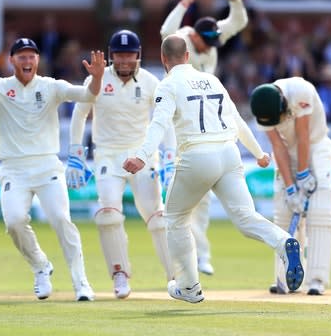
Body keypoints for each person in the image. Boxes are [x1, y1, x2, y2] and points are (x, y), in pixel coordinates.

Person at [122, 35, 304, 303]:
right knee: (245, 217)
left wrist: (140, 156)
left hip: (197, 156)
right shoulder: (212, 79)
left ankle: (189, 286)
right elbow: (238, 120)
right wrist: (259, 153)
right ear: (187, 56)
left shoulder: (167, 84)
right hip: (230, 154)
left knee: (174, 219)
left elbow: (158, 125)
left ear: (164, 59)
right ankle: (283, 241)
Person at [0, 29, 104, 301]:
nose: (27, 61)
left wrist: (97, 78)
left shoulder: (51, 86)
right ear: (12, 60)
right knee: (15, 222)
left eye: (31, 56)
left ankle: (81, 284)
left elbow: (87, 95)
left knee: (61, 220)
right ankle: (40, 266)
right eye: (21, 57)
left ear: (38, 60)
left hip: (47, 166)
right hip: (14, 169)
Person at [66, 29, 174, 299]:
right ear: (112, 57)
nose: (125, 61)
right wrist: (76, 154)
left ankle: (176, 276)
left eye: (130, 55)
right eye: (119, 55)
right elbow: (79, 114)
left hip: (142, 155)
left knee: (158, 218)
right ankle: (119, 274)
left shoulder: (151, 82)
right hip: (108, 156)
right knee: (108, 214)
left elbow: (164, 119)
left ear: (138, 56)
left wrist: (170, 156)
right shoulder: (97, 79)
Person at [160, 0, 248, 275]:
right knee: (180, 193)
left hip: (206, 119)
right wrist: (184, 4)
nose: (209, 47)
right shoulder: (184, 37)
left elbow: (239, 20)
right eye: (204, 42)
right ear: (194, 36)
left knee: (206, 194)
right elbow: (164, 32)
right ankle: (187, 258)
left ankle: (203, 255)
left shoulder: (210, 34)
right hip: (179, 120)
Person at [249, 77, 331, 295]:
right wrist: (290, 188)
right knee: (283, 212)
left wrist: (304, 174)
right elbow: (278, 145)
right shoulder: (261, 107)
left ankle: (317, 279)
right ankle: (285, 277)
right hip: (287, 151)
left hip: (316, 147)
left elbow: (303, 136)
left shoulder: (301, 91)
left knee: (319, 211)